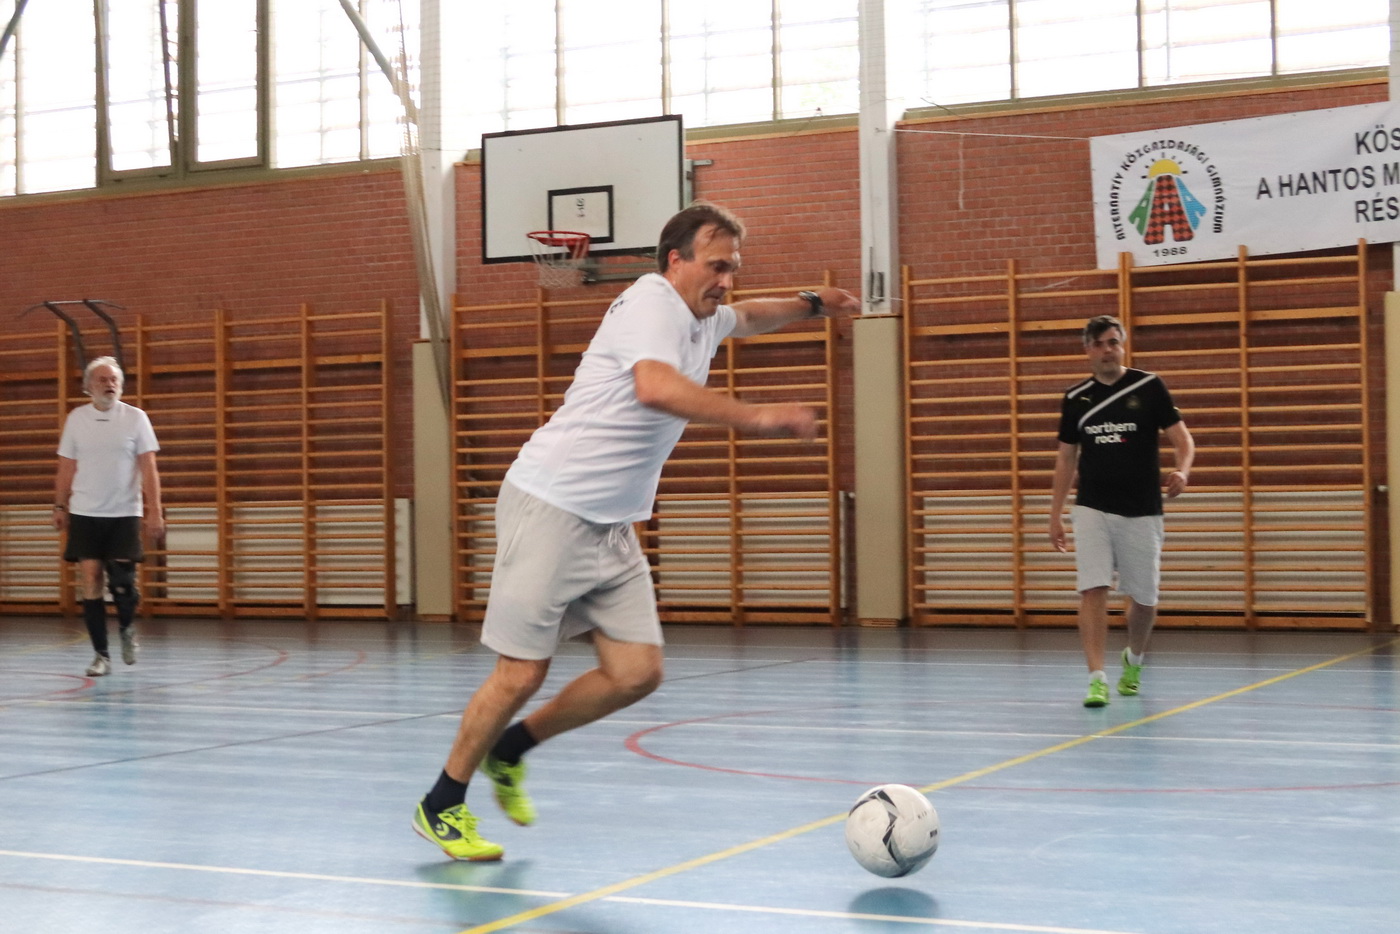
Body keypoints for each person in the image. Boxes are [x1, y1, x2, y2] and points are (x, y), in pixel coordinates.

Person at [412, 202, 860, 861]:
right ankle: (440, 804)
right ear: (675, 261)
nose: (726, 281)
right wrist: (759, 416)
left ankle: (510, 749)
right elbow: (655, 387)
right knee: (521, 673)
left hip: (610, 523)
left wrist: (813, 303)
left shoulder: (703, 316)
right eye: (716, 266)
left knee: (635, 673)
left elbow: (751, 316)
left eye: (733, 268)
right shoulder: (652, 302)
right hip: (553, 504)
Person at [1048, 315, 1194, 708]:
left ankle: (1134, 658)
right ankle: (1096, 678)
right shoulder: (1076, 398)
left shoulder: (1149, 387)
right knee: (1092, 588)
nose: (1107, 350)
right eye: (1099, 344)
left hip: (1142, 509)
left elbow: (1183, 440)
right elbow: (1066, 459)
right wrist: (1055, 513)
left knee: (1144, 601)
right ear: (1087, 350)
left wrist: (1182, 470)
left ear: (1122, 346)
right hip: (1092, 507)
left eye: (1113, 342)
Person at [53, 356, 165, 677]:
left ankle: (127, 628)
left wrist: (155, 511)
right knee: (91, 579)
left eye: (114, 379)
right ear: (89, 386)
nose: (109, 384)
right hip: (85, 512)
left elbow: (149, 468)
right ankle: (100, 655)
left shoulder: (136, 418)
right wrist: (59, 506)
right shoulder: (76, 419)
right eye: (102, 379)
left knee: (121, 582)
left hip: (124, 513)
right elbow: (66, 467)